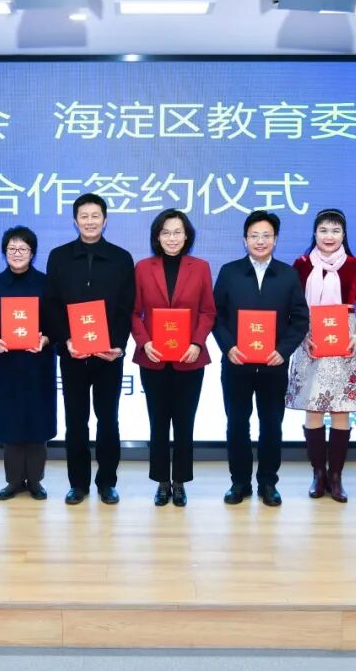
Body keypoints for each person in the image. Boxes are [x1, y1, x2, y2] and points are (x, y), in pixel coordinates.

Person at [213, 210, 309, 507]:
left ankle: (268, 483)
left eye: (266, 235)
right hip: (236, 364)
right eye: (254, 235)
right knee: (236, 424)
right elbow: (216, 316)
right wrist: (228, 347)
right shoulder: (229, 272)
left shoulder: (288, 274)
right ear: (244, 240)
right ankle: (239, 482)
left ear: (275, 240)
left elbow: (300, 319)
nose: (260, 241)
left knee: (271, 425)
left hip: (273, 365)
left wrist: (283, 351)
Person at [44, 193, 135, 505]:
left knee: (108, 420)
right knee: (75, 421)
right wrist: (66, 340)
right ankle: (78, 484)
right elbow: (52, 305)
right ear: (75, 220)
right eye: (84, 216)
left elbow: (126, 307)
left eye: (95, 216)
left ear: (105, 220)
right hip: (73, 355)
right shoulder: (59, 256)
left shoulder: (122, 258)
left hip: (108, 356)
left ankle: (107, 482)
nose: (90, 221)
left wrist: (117, 345)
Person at [285, 208, 356, 503]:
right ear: (315, 233)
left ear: (344, 234)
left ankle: (336, 477)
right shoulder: (301, 265)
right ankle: (318, 474)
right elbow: (292, 306)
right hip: (310, 338)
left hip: (345, 341)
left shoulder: (355, 265)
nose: (329, 236)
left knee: (340, 410)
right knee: (313, 408)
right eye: (323, 230)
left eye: (335, 230)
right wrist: (302, 336)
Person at [131, 210, 215, 507]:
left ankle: (179, 482)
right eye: (165, 232)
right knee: (158, 423)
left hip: (189, 359)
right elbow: (134, 312)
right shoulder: (143, 267)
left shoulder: (201, 267)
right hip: (153, 359)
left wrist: (197, 342)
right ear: (157, 236)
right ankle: (161, 482)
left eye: (177, 232)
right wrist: (145, 342)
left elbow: (208, 312)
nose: (172, 238)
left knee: (184, 423)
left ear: (187, 235)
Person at [0, 226, 55, 501]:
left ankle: (35, 481)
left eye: (23, 248)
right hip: (6, 365)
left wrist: (46, 339)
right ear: (4, 253)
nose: (17, 253)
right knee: (9, 423)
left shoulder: (46, 283)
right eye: (12, 249)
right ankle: (13, 482)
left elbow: (57, 322)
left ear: (32, 253)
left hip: (38, 364)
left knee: (37, 423)